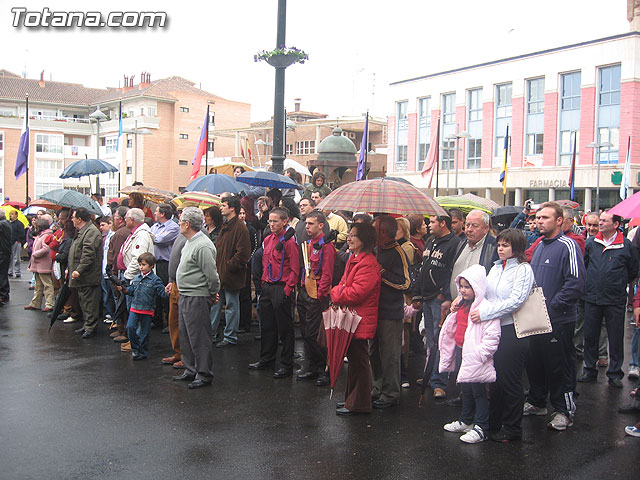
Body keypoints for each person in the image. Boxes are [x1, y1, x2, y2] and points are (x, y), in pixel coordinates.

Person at [524, 202, 586, 431]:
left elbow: (575, 283)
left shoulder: (568, 246)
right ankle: (537, 402)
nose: (539, 221)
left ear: (559, 220)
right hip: (536, 319)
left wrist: (552, 307)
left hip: (559, 320)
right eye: (538, 217)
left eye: (545, 218)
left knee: (560, 367)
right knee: (535, 362)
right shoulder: (539, 245)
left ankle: (563, 410)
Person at [472, 229, 534, 442]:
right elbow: (485, 294)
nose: (500, 248)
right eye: (499, 244)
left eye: (506, 245)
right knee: (495, 380)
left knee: (511, 381)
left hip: (513, 331)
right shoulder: (496, 268)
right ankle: (493, 423)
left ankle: (513, 429)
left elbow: (516, 301)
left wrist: (485, 313)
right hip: (493, 329)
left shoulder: (523, 270)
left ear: (516, 248)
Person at [441, 264, 501, 443]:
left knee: (479, 391)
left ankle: (481, 426)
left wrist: (482, 354)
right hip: (462, 350)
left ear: (477, 287)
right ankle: (466, 420)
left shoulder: (485, 308)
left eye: (468, 287)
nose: (463, 290)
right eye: (461, 286)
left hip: (476, 356)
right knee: (465, 388)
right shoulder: (461, 305)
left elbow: (493, 334)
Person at [578, 212, 639, 388]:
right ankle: (589, 369)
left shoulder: (626, 246)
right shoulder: (591, 243)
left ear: (616, 224)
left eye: (604, 221)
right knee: (590, 336)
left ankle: (614, 373)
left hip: (615, 299)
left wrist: (618, 283)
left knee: (615, 336)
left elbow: (633, 270)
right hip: (592, 298)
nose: (600, 223)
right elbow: (584, 265)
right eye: (600, 221)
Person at [331, 222, 381, 415]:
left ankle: (359, 403)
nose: (349, 239)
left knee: (359, 363)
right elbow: (344, 284)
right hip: (353, 319)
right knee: (354, 361)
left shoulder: (367, 263)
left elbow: (356, 293)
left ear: (365, 240)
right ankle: (351, 400)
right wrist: (340, 289)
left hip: (360, 320)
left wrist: (336, 294)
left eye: (353, 236)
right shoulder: (355, 258)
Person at [411, 214, 461, 399]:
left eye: (432, 222)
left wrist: (445, 294)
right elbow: (423, 269)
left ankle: (439, 381)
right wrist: (417, 294)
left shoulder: (454, 243)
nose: (428, 225)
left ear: (443, 223)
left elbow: (452, 270)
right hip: (426, 297)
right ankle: (429, 375)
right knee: (430, 340)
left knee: (441, 340)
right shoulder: (431, 241)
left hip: (439, 298)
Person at [248, 207, 300, 378]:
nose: (271, 224)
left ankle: (286, 364)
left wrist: (287, 290)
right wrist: (263, 286)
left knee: (285, 329)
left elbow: (294, 268)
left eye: (275, 221)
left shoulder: (290, 242)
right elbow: (265, 262)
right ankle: (266, 359)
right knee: (268, 326)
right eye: (270, 221)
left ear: (285, 221)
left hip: (282, 287)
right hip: (268, 287)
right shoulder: (268, 239)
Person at [172, 207, 220, 389]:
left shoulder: (203, 245)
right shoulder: (190, 241)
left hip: (197, 296)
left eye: (181, 221)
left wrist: (213, 293)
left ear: (188, 224)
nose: (178, 223)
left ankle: (204, 373)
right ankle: (190, 369)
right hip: (186, 294)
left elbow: (212, 275)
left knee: (199, 337)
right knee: (185, 335)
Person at [370, 215, 411, 409]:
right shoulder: (376, 249)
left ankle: (390, 392)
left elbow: (405, 283)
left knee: (389, 355)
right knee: (374, 352)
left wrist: (383, 272)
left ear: (383, 232)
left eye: (375, 229)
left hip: (390, 313)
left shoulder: (398, 252)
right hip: (374, 310)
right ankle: (377, 387)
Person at [296, 211, 336, 384]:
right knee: (305, 331)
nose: (307, 227)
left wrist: (321, 294)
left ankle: (324, 370)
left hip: (317, 292)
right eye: (306, 223)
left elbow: (327, 272)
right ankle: (313, 367)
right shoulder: (307, 244)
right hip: (305, 289)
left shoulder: (326, 246)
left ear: (321, 225)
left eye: (311, 224)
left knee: (315, 333)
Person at [210, 195, 251, 347]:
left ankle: (230, 337)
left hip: (231, 275)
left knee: (232, 306)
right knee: (215, 305)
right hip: (221, 274)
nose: (221, 207)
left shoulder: (240, 228)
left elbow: (243, 254)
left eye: (224, 205)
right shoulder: (226, 226)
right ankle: (211, 334)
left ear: (232, 208)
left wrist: (228, 267)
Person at [120, 252, 168, 360]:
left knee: (144, 332)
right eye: (140, 265)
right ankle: (135, 348)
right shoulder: (136, 278)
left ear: (151, 266)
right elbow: (131, 291)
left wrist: (168, 291)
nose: (141, 267)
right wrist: (124, 289)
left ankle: (142, 352)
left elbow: (162, 293)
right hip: (135, 307)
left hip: (147, 309)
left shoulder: (155, 280)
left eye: (144, 265)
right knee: (130, 327)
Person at [68, 208, 103, 339]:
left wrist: (79, 270)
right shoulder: (84, 231)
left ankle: (90, 326)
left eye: (73, 217)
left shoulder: (91, 232)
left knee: (89, 301)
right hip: (82, 275)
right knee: (84, 301)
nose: (72, 219)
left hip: (88, 275)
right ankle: (87, 324)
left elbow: (88, 255)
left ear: (80, 219)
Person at [150, 204, 180, 328]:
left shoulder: (173, 227)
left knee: (166, 293)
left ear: (162, 214)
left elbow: (160, 239)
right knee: (155, 292)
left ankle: (169, 322)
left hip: (165, 264)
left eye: (156, 211)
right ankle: (157, 320)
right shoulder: (154, 226)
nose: (154, 213)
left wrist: (152, 236)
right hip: (154, 263)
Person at [162, 230, 187, 368]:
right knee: (174, 320)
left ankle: (187, 356)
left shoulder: (198, 235)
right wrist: (171, 280)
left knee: (184, 322)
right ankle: (178, 352)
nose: (179, 221)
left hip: (185, 284)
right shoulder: (181, 234)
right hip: (175, 283)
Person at [24, 218, 55, 312]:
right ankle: (35, 303)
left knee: (47, 285)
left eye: (36, 227)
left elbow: (46, 249)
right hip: (38, 265)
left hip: (43, 264)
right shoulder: (41, 235)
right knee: (38, 285)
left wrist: (35, 254)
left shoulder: (45, 236)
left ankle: (50, 304)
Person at [8, 210, 25, 278]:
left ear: (16, 215)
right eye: (10, 214)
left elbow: (22, 233)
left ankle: (17, 271)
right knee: (10, 257)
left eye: (12, 214)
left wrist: (18, 240)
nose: (10, 215)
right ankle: (10, 271)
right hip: (9, 242)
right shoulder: (9, 223)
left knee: (16, 258)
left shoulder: (19, 224)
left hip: (16, 242)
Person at [0, 210, 11, 306]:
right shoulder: (6, 223)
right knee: (3, 274)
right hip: (5, 251)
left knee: (2, 274)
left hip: (2, 252)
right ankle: (4, 294)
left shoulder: (2, 224)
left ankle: (3, 294)